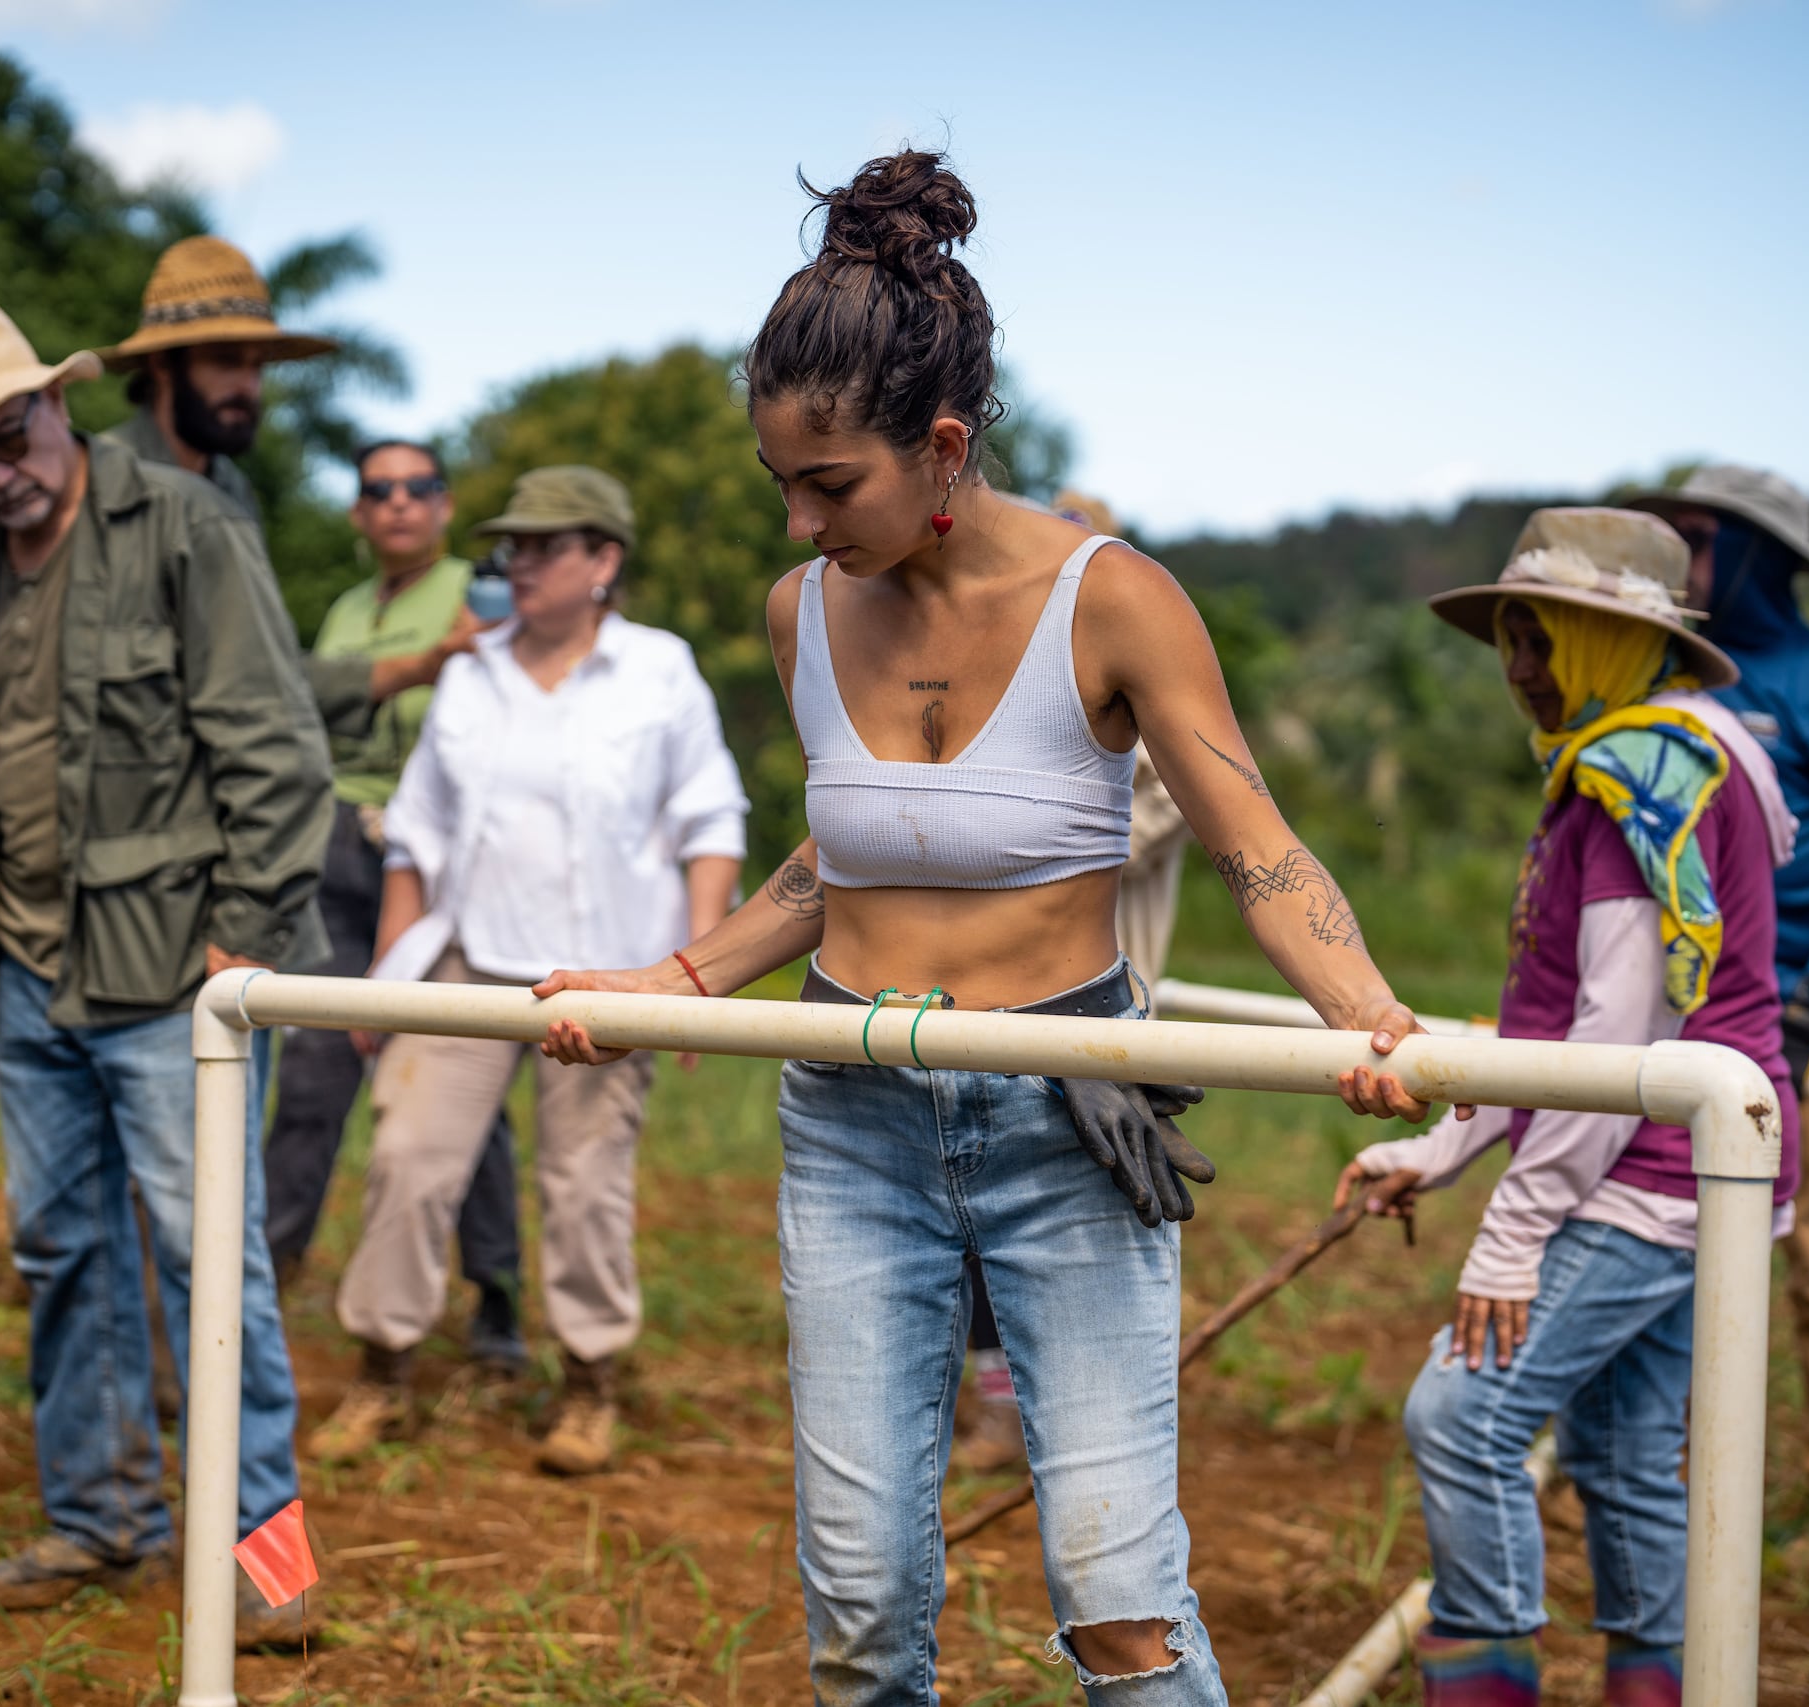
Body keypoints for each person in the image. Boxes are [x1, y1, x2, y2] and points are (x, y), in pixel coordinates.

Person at [533, 153, 1443, 1705]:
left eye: (836, 485)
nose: (808, 522)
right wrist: (665, 980)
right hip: (852, 1120)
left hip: (1062, 1114)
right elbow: (840, 862)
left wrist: (1371, 1011)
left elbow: (1256, 843)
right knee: (863, 1603)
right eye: (784, 487)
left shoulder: (1115, 598)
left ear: (943, 446)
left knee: (1118, 1599)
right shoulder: (798, 609)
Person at [0, 287, 332, 1648]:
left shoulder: (186, 525)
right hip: (26, 978)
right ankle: (100, 1515)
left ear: (57, 400)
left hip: (172, 979)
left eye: (4, 437)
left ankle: (271, 1560)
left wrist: (242, 937)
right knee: (64, 1251)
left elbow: (279, 752)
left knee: (217, 1265)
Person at [1338, 507, 1802, 1707]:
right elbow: (1557, 1034)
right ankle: (1662, 1687)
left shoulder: (1631, 781)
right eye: (1511, 641)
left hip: (1652, 1165)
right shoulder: (1692, 754)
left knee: (1462, 1411)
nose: (1521, 672)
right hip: (1717, 1155)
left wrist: (1510, 1234)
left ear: (1615, 644)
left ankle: (1487, 1672)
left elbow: (1611, 1043)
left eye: (1545, 642)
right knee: (1623, 1453)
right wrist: (1441, 1149)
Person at [317, 464, 748, 1477]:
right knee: (408, 1160)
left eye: (543, 547)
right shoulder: (470, 670)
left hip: (611, 975)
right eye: (511, 545)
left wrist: (695, 976)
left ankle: (590, 1381)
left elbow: (709, 822)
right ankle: (382, 1366)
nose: (518, 564)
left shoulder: (659, 670)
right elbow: (415, 838)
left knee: (584, 1179)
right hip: (467, 965)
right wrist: (386, 980)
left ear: (604, 560)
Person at [1628, 465, 1809, 1580]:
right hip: (1664, 1017)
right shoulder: (1661, 676)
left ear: (1759, 556)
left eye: (1695, 539)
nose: (1677, 558)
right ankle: (1660, 1473)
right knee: (1649, 1242)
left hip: (1790, 1021)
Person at [266, 438, 525, 1365]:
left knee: (457, 1080)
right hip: (336, 849)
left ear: (446, 505)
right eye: (380, 491)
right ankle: (269, 1269)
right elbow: (301, 713)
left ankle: (497, 1296)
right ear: (358, 513)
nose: (400, 503)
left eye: (419, 487)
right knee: (312, 1069)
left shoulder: (486, 591)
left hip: (440, 862)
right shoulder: (344, 609)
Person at [956, 490, 1197, 1477]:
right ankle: (992, 1409)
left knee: (1098, 1213)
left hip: (1105, 1009)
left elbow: (1079, 846)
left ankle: (1089, 1427)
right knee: (972, 1214)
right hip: (988, 1001)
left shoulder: (1162, 733)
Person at [98, 234, 332, 518]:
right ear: (162, 364)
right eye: (226, 361)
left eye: (257, 365)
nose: (247, 385)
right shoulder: (100, 478)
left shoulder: (234, 490)